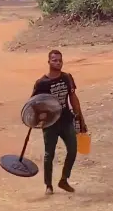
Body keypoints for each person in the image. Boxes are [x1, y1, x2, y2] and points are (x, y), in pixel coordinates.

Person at [31, 50, 87, 195]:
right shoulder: (41, 83)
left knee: (73, 150)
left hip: (66, 119)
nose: (58, 63)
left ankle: (64, 180)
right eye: (54, 60)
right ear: (49, 62)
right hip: (50, 124)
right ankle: (48, 185)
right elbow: (34, 104)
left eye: (60, 60)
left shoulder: (67, 78)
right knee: (49, 154)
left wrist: (80, 117)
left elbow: (73, 97)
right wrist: (39, 117)